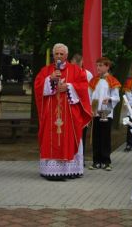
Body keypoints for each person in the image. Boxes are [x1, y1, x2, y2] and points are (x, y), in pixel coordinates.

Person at [34, 43, 92, 180]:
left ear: (66, 55)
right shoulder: (46, 70)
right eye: (56, 54)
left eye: (62, 54)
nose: (59, 56)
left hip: (70, 113)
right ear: (53, 55)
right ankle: (51, 171)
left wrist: (69, 87)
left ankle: (72, 170)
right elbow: (37, 86)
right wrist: (50, 80)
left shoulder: (76, 70)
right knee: (51, 137)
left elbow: (84, 87)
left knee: (70, 137)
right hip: (51, 113)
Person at [88, 57, 121, 171]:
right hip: (95, 112)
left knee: (105, 137)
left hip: (106, 112)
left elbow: (116, 97)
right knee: (96, 137)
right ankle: (96, 161)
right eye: (97, 65)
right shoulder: (93, 80)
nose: (98, 67)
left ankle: (106, 161)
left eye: (101, 65)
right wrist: (91, 108)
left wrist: (110, 99)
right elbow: (89, 95)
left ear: (107, 66)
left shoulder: (112, 80)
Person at [70, 53, 93, 161]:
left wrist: (91, 106)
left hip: (83, 106)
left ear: (80, 63)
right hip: (71, 106)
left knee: (82, 133)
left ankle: (81, 157)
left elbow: (91, 91)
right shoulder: (69, 73)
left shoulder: (87, 74)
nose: (73, 67)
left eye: (75, 65)